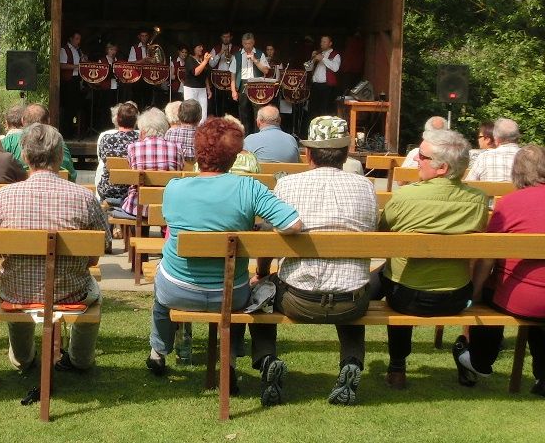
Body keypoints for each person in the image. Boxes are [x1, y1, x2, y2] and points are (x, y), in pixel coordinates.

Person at [147, 117, 302, 382]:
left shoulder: (174, 188)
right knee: (245, 290)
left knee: (160, 296)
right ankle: (228, 358)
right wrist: (260, 229)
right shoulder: (249, 188)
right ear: (234, 156)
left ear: (197, 153)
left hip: (177, 289)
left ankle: (158, 351)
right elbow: (293, 224)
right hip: (230, 293)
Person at [249, 116, 378, 406]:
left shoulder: (287, 187)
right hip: (351, 302)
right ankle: (352, 361)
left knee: (258, 294)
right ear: (345, 154)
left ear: (308, 153)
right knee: (352, 281)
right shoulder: (367, 188)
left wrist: (261, 273)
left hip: (298, 299)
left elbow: (270, 238)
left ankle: (266, 358)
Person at [0, 123, 109, 372]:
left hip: (17, 291)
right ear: (59, 156)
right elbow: (103, 245)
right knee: (95, 292)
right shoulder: (84, 197)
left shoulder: (4, 195)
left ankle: (22, 358)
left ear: (24, 156)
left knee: (15, 286)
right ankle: (80, 359)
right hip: (70, 292)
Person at [378, 128, 488, 389]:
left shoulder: (406, 196)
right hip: (456, 297)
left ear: (442, 168)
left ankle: (396, 366)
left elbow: (382, 233)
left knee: (391, 276)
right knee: (396, 274)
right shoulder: (479, 201)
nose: (416, 159)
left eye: (422, 156)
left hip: (406, 298)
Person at [453, 145, 545, 395]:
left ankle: (478, 361)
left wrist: (477, 292)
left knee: (496, 289)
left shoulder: (509, 203)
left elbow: (487, 257)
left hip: (520, 299)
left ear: (517, 173)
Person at [113, 108, 184, 220]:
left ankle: (139, 235)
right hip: (167, 206)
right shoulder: (176, 148)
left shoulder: (133, 148)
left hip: (138, 207)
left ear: (143, 130)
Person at [0, 103, 77, 182]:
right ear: (48, 120)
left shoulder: (9, 141)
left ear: (22, 120)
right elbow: (72, 176)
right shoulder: (58, 141)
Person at [97, 102, 140, 205]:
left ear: (117, 119)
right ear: (136, 121)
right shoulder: (141, 141)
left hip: (109, 190)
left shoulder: (106, 139)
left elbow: (103, 159)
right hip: (132, 191)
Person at [229, 33, 271, 135]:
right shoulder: (237, 56)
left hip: (256, 85)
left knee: (258, 113)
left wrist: (255, 60)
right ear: (242, 43)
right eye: (245, 43)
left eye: (249, 43)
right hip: (243, 84)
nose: (247, 46)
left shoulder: (260, 54)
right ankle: (245, 137)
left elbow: (266, 71)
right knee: (243, 112)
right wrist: (233, 91)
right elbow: (233, 75)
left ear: (253, 43)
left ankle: (257, 135)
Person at [306, 35, 341, 119]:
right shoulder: (318, 53)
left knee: (324, 111)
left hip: (327, 87)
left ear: (330, 43)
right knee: (313, 110)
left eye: (324, 42)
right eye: (321, 41)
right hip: (315, 86)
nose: (322, 44)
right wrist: (312, 58)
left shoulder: (335, 55)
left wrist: (323, 59)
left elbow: (335, 68)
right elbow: (307, 68)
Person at [59, 31, 86, 138]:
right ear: (71, 39)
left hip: (76, 80)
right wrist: (77, 66)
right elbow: (62, 65)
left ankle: (73, 131)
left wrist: (84, 60)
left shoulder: (78, 51)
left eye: (79, 39)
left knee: (75, 107)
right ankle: (66, 133)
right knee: (68, 108)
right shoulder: (63, 50)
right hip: (68, 81)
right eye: (77, 39)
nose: (78, 41)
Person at [182, 43, 212, 123]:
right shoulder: (189, 59)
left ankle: (201, 132)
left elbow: (205, 76)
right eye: (199, 47)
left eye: (202, 47)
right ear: (194, 48)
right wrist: (205, 61)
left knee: (203, 112)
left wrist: (208, 89)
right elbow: (196, 72)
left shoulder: (202, 60)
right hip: (191, 89)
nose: (201, 48)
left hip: (202, 89)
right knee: (191, 111)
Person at [209, 31, 237, 118]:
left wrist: (231, 57)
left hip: (231, 79)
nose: (226, 39)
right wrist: (220, 53)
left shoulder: (237, 49)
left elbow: (238, 64)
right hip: (217, 81)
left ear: (230, 37)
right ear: (221, 37)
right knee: (218, 102)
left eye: (227, 37)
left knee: (231, 104)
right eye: (224, 37)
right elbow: (211, 64)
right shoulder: (215, 49)